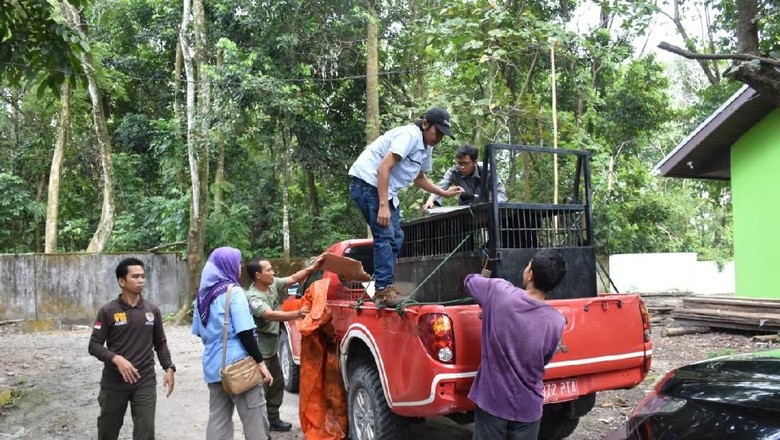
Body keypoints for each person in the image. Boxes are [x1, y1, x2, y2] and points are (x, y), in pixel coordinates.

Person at [348, 107, 463, 307]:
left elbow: (419, 177)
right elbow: (383, 168)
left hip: (385, 189)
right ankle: (383, 290)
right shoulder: (409, 135)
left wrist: (443, 193)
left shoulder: (426, 147)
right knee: (384, 235)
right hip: (367, 183)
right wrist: (383, 205)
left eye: (443, 136)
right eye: (438, 132)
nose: (439, 138)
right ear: (425, 124)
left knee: (397, 237)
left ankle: (386, 285)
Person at [464, 249, 567, 440]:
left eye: (528, 265)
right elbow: (543, 359)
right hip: (528, 407)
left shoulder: (498, 291)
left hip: (492, 400)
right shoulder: (556, 321)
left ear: (530, 274)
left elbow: (470, 281)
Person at [88, 257, 175, 440]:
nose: (141, 280)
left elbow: (160, 343)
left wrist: (169, 367)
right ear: (122, 281)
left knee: (146, 432)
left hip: (144, 381)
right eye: (135, 276)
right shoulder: (108, 311)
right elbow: (94, 345)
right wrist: (117, 359)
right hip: (114, 383)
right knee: (107, 431)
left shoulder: (152, 310)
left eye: (143, 276)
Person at [192, 247, 273, 440]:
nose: (239, 267)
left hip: (214, 366)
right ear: (227, 265)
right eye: (237, 263)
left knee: (218, 419)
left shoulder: (202, 296)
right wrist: (261, 364)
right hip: (240, 367)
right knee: (254, 418)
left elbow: (200, 333)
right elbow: (246, 332)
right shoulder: (234, 292)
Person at [245, 255, 323, 432]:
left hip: (272, 351)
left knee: (277, 384)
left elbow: (294, 278)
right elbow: (269, 314)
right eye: (269, 270)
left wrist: (313, 268)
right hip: (260, 352)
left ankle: (272, 419)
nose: (273, 273)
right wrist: (296, 314)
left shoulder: (271, 285)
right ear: (258, 275)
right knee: (260, 391)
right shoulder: (253, 297)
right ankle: (259, 428)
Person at [423, 144, 508, 211]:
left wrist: (494, 206)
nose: (462, 167)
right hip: (465, 212)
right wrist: (431, 199)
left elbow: (500, 193)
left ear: (475, 162)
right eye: (459, 163)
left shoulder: (487, 170)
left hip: (488, 210)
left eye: (465, 163)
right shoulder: (454, 172)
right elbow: (441, 187)